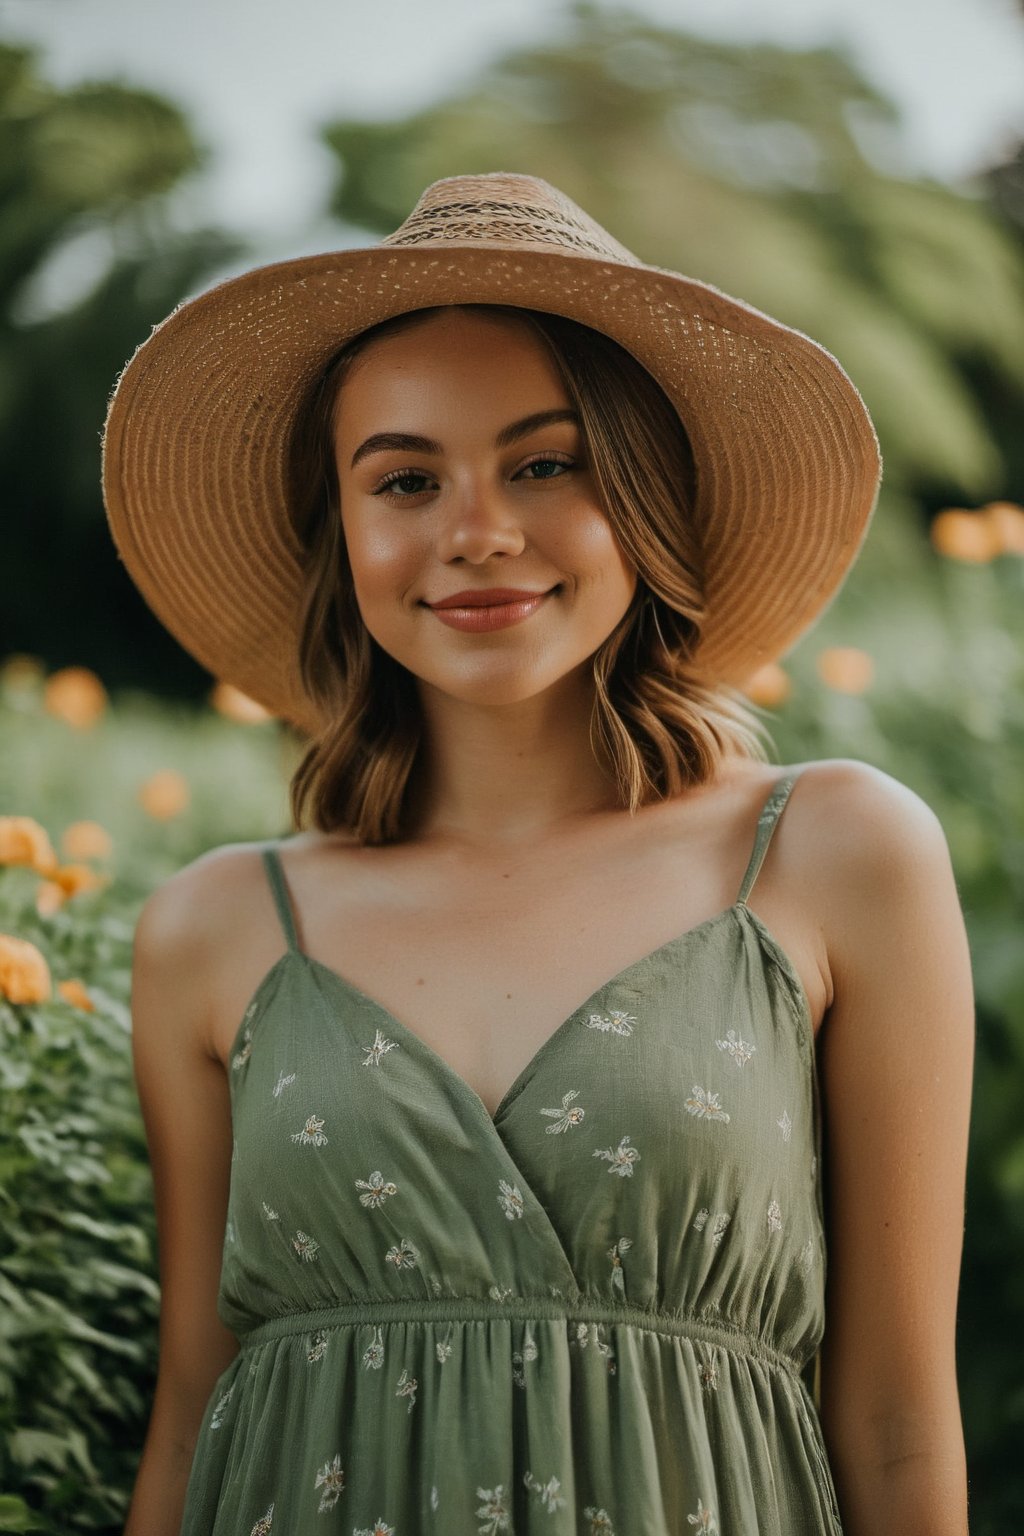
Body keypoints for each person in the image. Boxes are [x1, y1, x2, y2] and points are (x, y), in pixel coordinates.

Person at [103, 173, 973, 1536]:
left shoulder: (833, 855)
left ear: (645, 494)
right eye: (405, 479)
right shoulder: (214, 931)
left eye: (545, 462)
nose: (478, 531)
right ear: (343, 531)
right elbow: (190, 1419)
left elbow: (900, 1423)